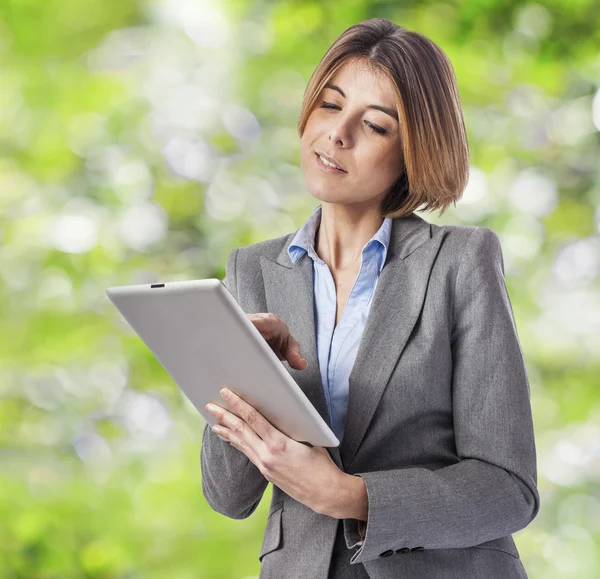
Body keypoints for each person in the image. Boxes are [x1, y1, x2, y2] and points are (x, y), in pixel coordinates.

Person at [201, 17, 540, 579]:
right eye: (331, 106)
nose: (339, 134)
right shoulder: (253, 270)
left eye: (376, 126)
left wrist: (351, 496)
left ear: (414, 152)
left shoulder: (460, 262)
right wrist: (241, 369)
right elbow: (227, 496)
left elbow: (508, 488)